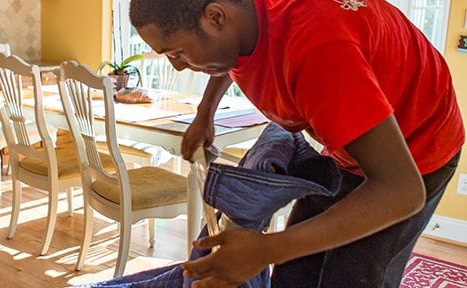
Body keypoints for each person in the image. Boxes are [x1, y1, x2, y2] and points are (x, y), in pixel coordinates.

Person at [129, 0, 465, 287]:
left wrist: (265, 249)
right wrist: (205, 113)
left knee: (352, 276)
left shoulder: (318, 49)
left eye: (176, 52)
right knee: (296, 270)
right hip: (348, 146)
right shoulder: (244, 18)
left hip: (416, 150)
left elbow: (401, 190)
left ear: (216, 17)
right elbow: (230, 54)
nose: (176, 64)